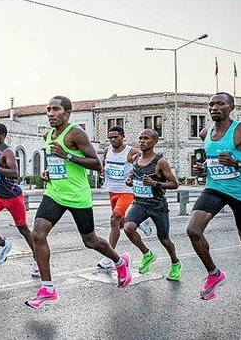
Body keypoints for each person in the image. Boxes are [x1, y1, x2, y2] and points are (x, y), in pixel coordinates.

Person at [27, 96, 132, 309]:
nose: (50, 113)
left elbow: (95, 164)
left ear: (67, 113)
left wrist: (67, 156)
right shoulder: (47, 135)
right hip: (55, 193)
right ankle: (47, 288)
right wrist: (49, 172)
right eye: (48, 109)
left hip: (77, 196)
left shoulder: (76, 133)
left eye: (55, 109)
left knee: (90, 241)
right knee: (37, 234)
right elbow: (55, 161)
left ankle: (120, 261)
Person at [186, 92, 241, 313]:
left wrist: (238, 163)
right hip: (215, 188)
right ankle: (214, 274)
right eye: (211, 104)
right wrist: (206, 167)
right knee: (193, 230)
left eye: (220, 104)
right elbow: (213, 159)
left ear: (231, 107)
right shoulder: (205, 133)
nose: (214, 108)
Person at [0, 123, 39, 276]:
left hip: (12, 197)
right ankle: (3, 244)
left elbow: (14, 173)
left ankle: (38, 259)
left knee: (23, 228)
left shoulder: (8, 152)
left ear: (3, 136)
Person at [123, 129, 182, 280]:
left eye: (146, 138)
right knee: (128, 228)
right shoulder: (136, 158)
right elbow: (134, 175)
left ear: (154, 142)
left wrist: (155, 183)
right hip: (139, 203)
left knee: (164, 238)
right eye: (140, 138)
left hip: (157, 206)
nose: (142, 141)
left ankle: (175, 263)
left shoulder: (160, 162)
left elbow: (174, 184)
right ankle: (147, 253)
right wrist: (130, 181)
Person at [97, 125, 152, 270]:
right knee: (120, 224)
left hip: (126, 191)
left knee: (114, 219)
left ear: (123, 137)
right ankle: (139, 225)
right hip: (112, 191)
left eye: (115, 137)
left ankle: (109, 257)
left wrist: (136, 161)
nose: (112, 140)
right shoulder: (107, 150)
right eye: (110, 138)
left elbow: (146, 159)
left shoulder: (130, 151)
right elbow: (104, 164)